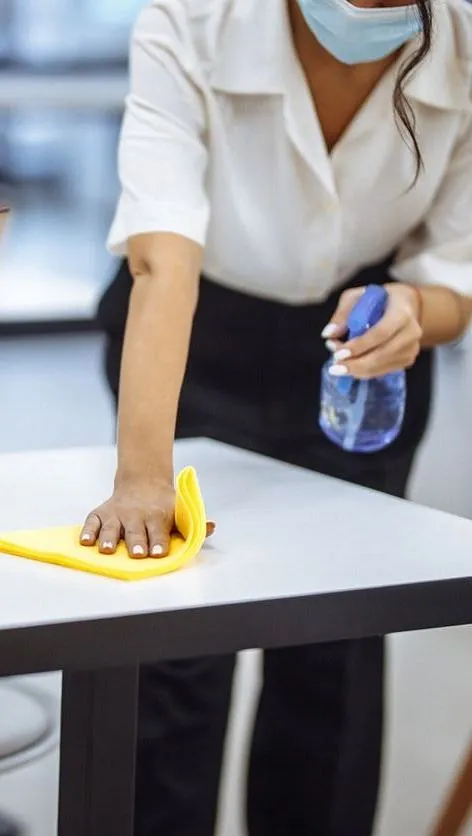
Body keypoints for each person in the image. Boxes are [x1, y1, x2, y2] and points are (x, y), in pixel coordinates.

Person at [84, 0, 472, 834]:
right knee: (175, 654)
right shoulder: (193, 19)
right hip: (191, 330)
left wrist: (414, 308)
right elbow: (162, 257)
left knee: (335, 652)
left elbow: (457, 273)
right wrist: (145, 478)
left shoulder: (466, 48)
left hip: (360, 348)